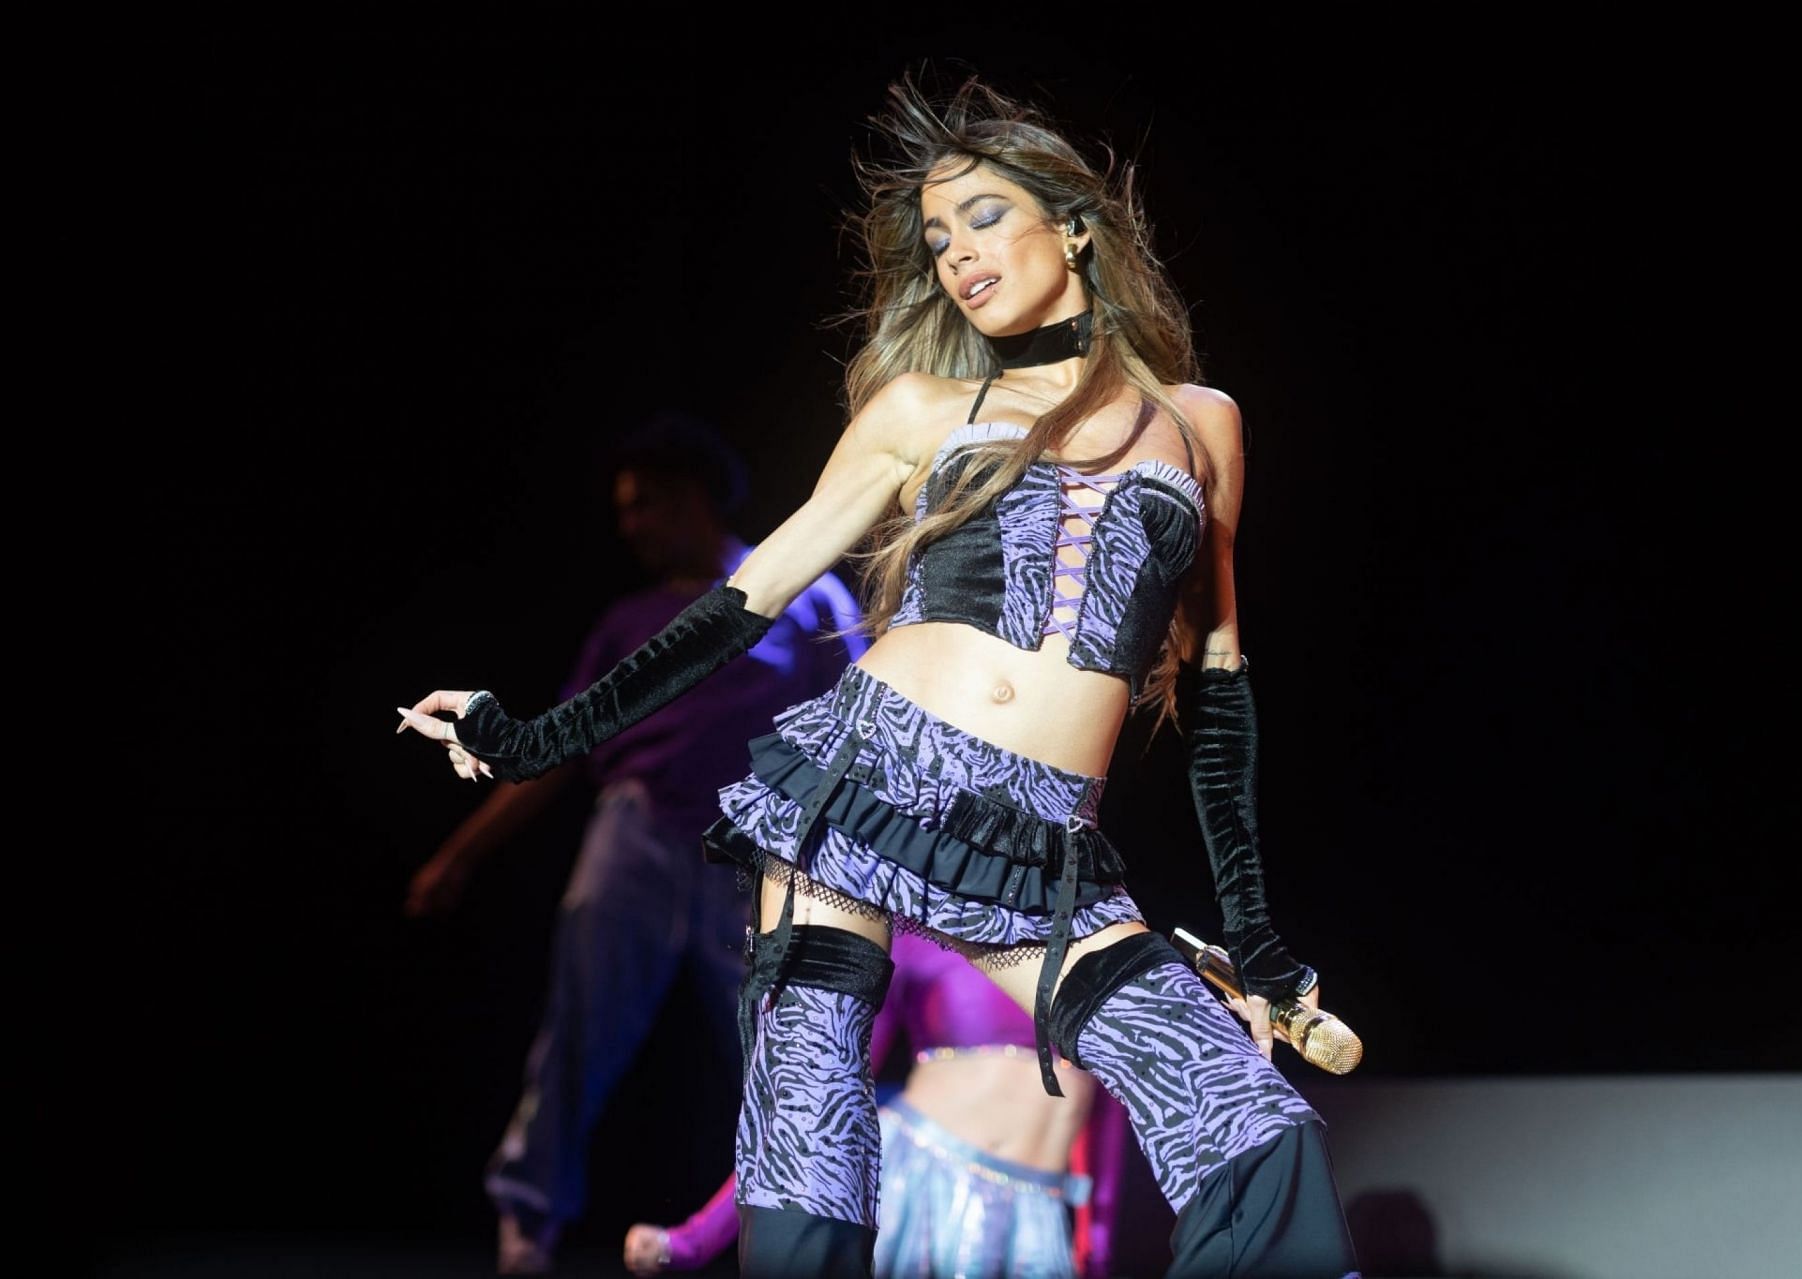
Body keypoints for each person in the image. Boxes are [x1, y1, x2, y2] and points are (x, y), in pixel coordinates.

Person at [401, 78, 1359, 1277]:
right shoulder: (920, 409)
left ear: (1072, 226)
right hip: (862, 777)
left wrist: (1257, 940)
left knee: (1250, 1132)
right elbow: (736, 607)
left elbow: (1217, 691)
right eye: (939, 239)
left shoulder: (1201, 423)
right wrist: (538, 736)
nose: (958, 255)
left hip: (1041, 842)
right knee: (809, 1148)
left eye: (985, 217)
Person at [404, 413, 865, 1273]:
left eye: (646, 505)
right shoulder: (630, 620)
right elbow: (555, 748)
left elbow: (867, 729)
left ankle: (786, 1230)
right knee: (581, 1027)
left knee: (780, 1046)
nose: (631, 526)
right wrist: (458, 853)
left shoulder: (803, 592)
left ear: (695, 499)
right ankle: (528, 1218)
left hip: (754, 852)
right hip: (639, 837)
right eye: (624, 509)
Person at [620, 931, 1132, 1277]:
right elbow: (812, 1117)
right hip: (917, 1189)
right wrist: (691, 1242)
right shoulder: (924, 934)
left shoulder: (1092, 939)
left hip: (1035, 1212)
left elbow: (1108, 1102)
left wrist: (1096, 1244)